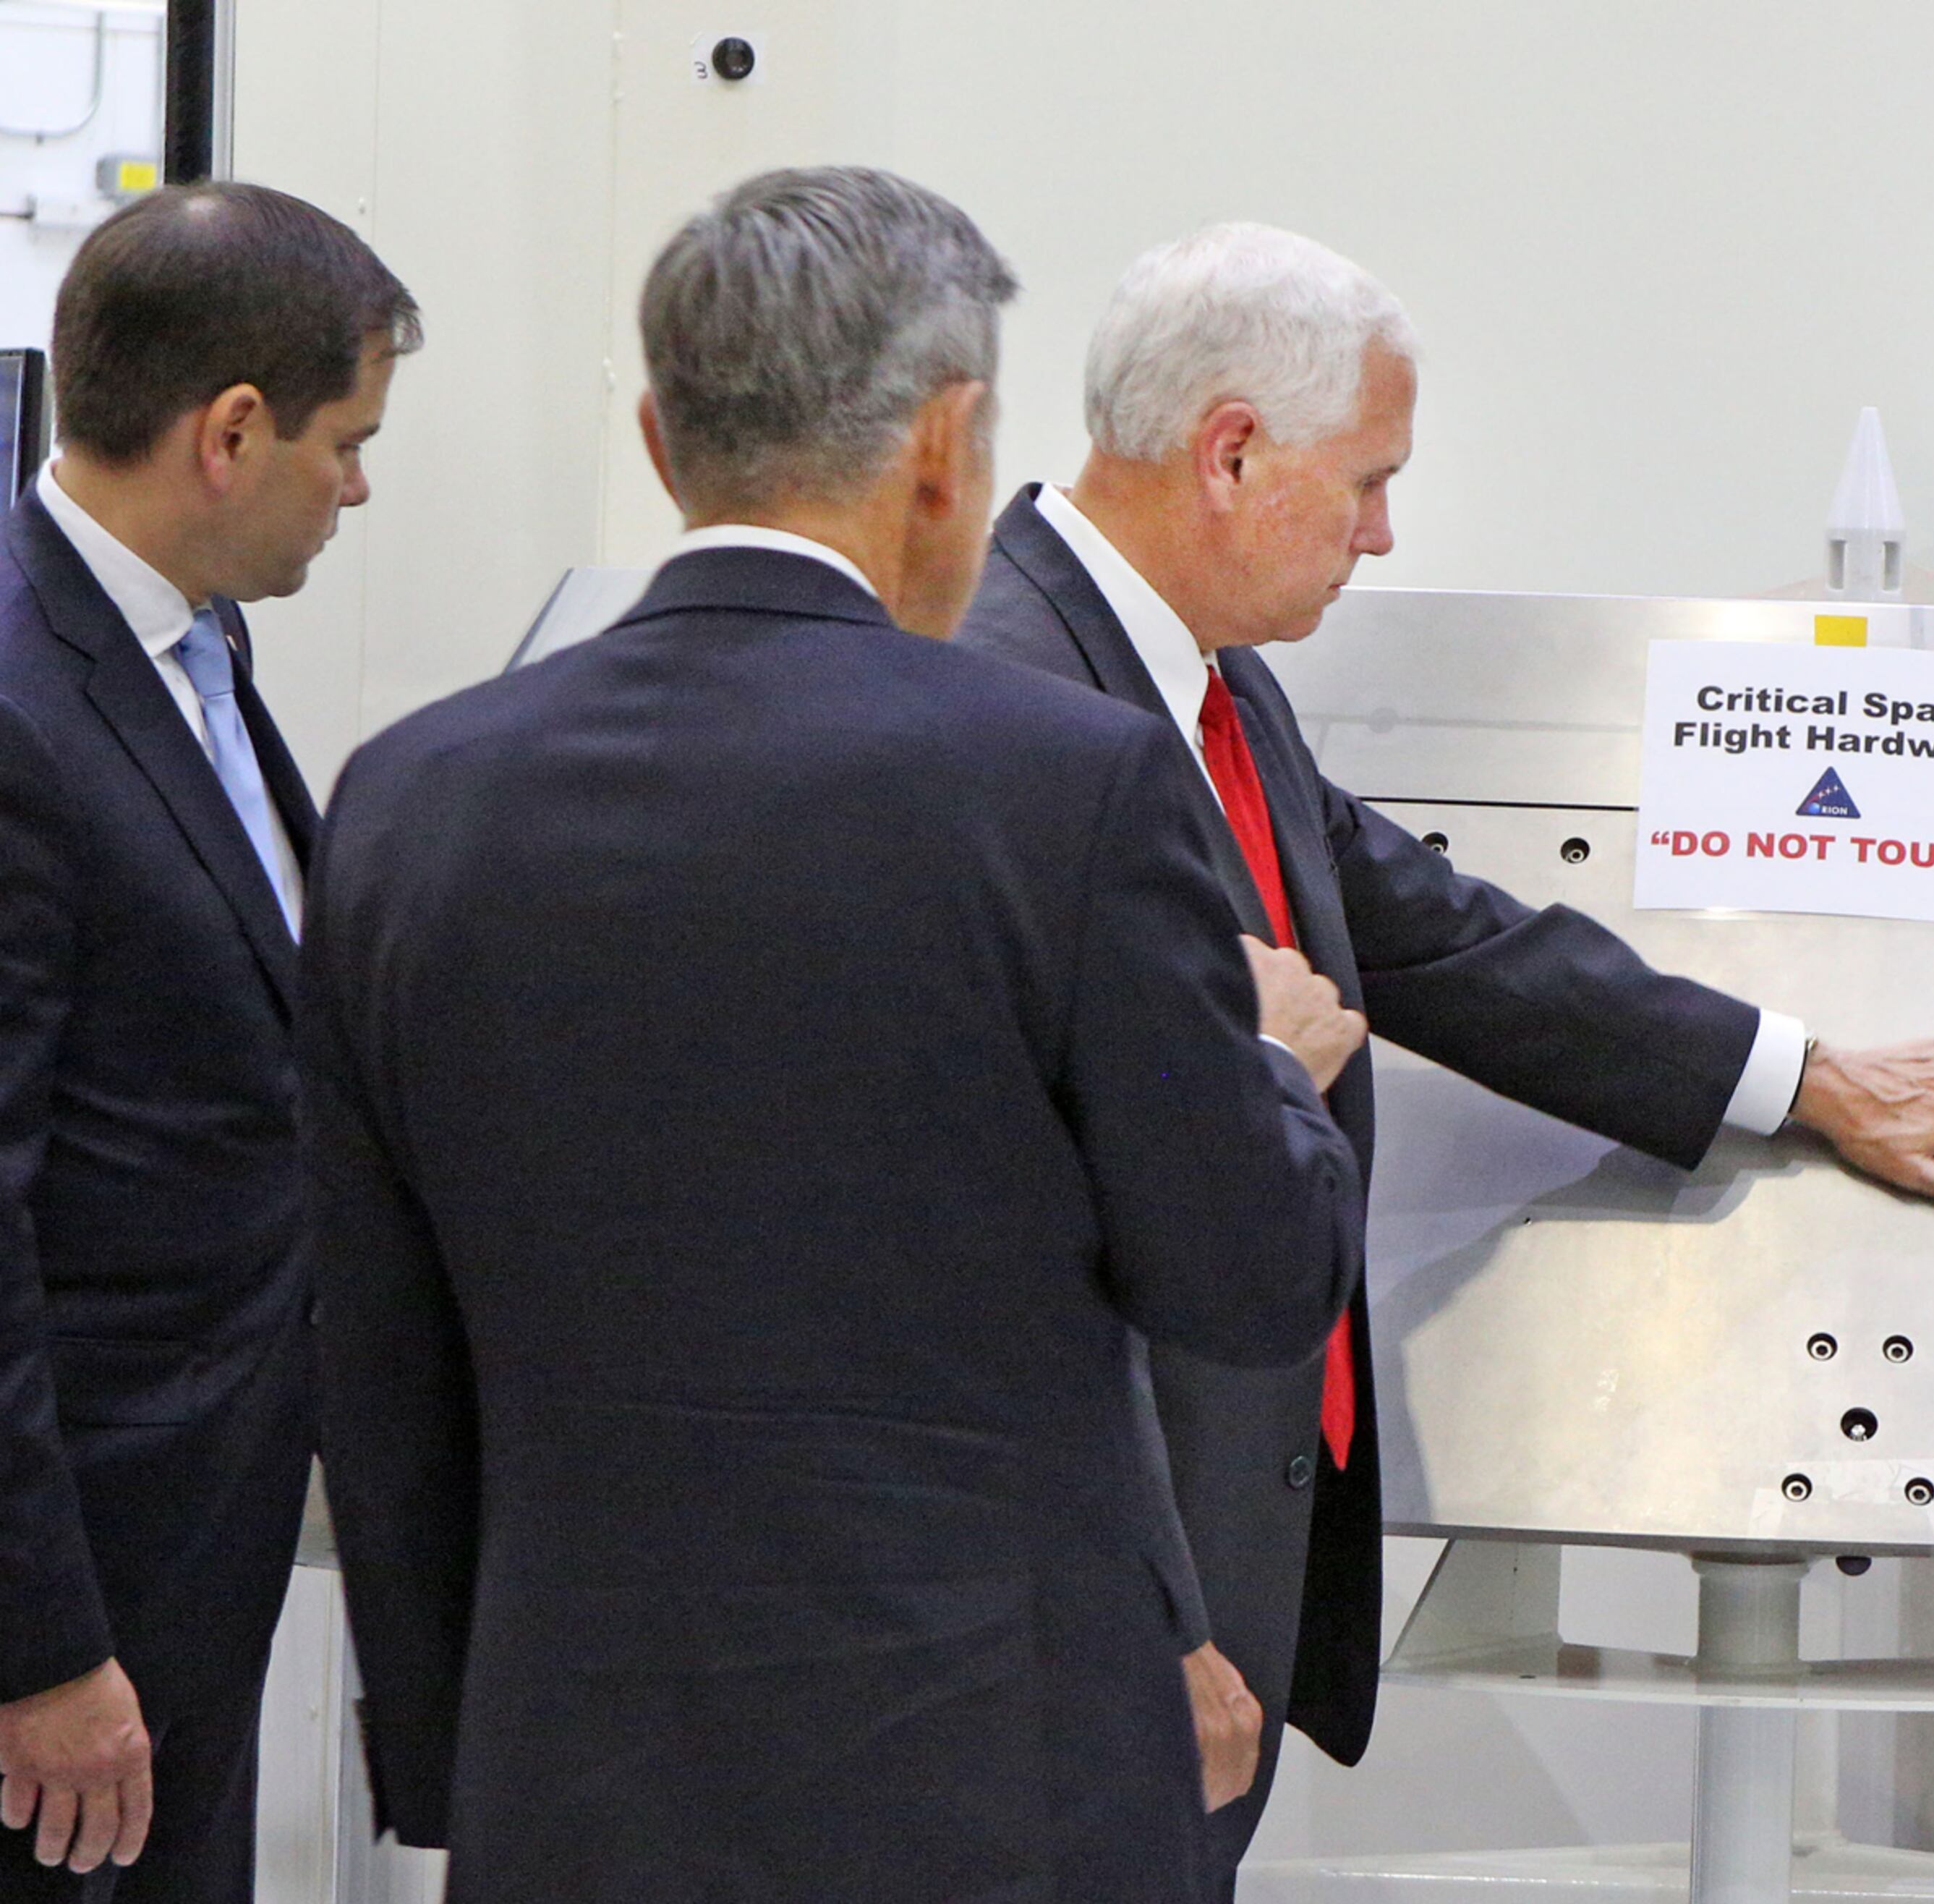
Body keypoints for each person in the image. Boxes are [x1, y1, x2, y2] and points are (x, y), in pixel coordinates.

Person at [953, 221, 1934, 1889]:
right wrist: (1140, 1610)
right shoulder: (1000, 698)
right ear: (1231, 452)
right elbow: (991, 1239)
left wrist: (1800, 1075)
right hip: (1096, 1603)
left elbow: (1437, 937)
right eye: (1367, 482)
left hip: (1221, 1547)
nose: (1383, 531)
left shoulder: (1213, 684)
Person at [304, 169, 1368, 1904]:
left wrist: (452, 1752)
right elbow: (1245, 1277)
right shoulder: (1068, 789)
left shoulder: (413, 799)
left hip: (576, 1779)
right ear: (946, 446)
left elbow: (381, 1350)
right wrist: (1267, 1069)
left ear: (661, 440)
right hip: (993, 1788)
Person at [0, 182, 416, 1900]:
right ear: (231, 433)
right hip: (75, 1607)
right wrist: (38, 1645)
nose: (359, 488)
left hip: (195, 1546)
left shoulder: (191, 644)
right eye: (347, 442)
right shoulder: (21, 707)